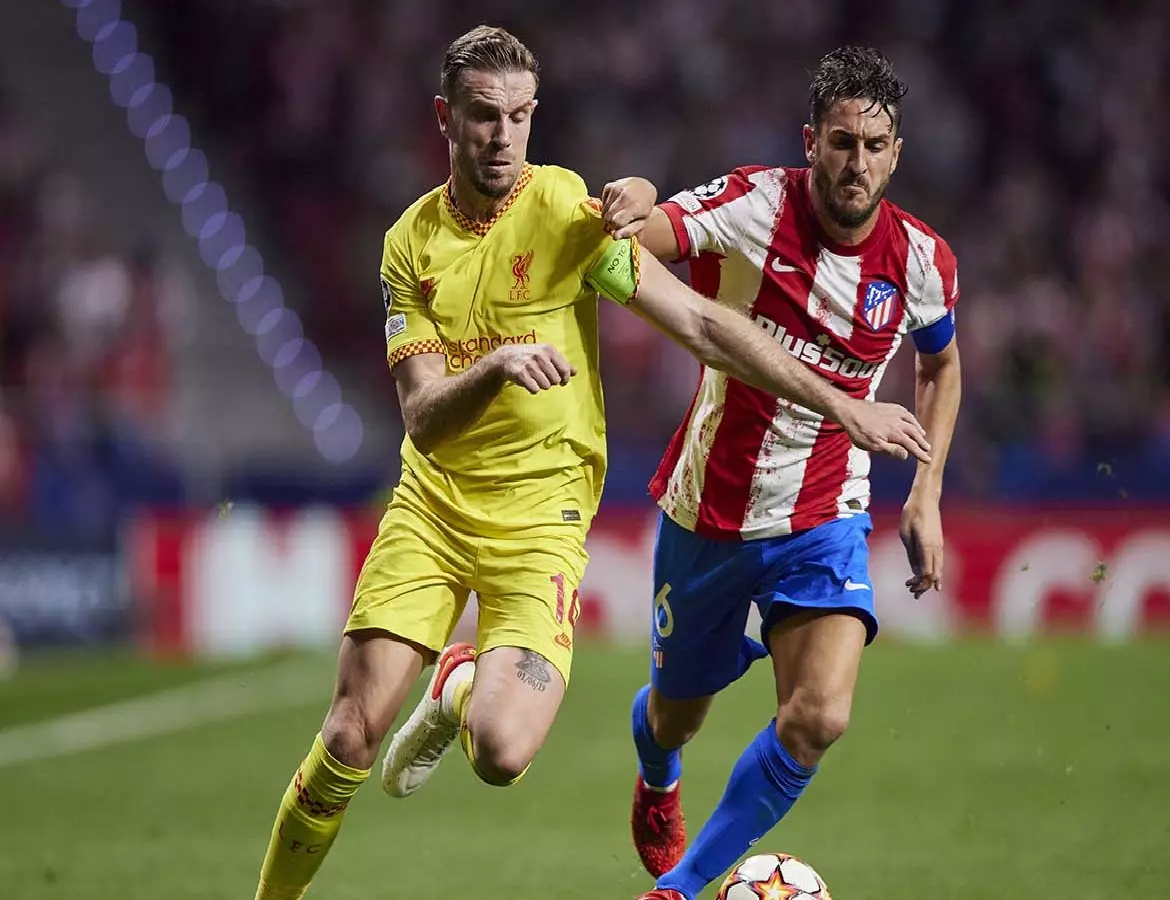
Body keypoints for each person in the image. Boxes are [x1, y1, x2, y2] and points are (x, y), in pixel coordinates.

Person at [251, 28, 932, 900]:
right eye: (484, 117)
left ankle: (461, 688)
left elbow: (702, 323)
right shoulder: (409, 244)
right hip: (433, 506)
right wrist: (493, 367)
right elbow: (422, 419)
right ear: (445, 119)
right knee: (348, 735)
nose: (503, 136)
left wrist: (841, 402)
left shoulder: (567, 215)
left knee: (501, 754)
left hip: (542, 519)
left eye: (520, 117)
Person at [600, 45, 963, 900]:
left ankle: (680, 887)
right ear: (811, 141)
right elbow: (637, 241)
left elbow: (943, 366)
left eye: (875, 146)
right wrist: (645, 198)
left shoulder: (921, 261)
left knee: (821, 715)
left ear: (897, 153)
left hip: (824, 516)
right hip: (710, 511)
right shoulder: (752, 204)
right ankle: (657, 767)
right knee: (673, 714)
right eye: (842, 142)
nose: (858, 163)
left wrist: (928, 491)